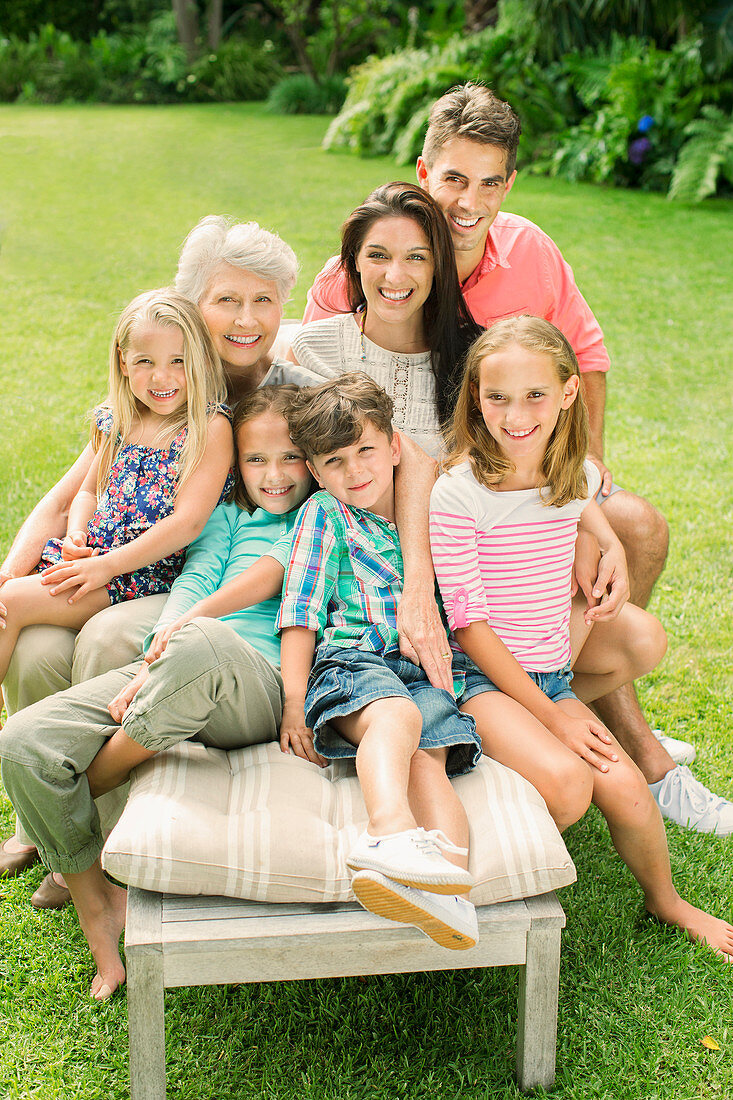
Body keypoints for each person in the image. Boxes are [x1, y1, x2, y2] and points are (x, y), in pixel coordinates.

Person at [300, 82, 731, 834]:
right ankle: (624, 748)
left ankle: (569, 711)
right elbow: (335, 428)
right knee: (600, 618)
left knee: (637, 531)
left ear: (508, 182)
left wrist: (582, 492)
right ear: (423, 171)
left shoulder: (527, 250)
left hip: (522, 484)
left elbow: (585, 355)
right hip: (437, 521)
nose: (469, 200)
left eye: (489, 180)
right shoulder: (368, 273)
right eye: (454, 178)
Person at [0, 216, 314, 889]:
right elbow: (68, 495)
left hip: (192, 585)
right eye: (226, 299)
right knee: (32, 648)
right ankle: (43, 817)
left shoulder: (293, 396)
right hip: (126, 565)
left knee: (110, 638)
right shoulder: (153, 384)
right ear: (192, 306)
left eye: (263, 300)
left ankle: (110, 836)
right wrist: (14, 576)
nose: (245, 317)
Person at [429, 316, 733, 960]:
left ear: (569, 392)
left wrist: (611, 541)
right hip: (479, 680)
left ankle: (667, 900)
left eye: (535, 395)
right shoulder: (459, 493)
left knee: (623, 788)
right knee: (569, 773)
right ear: (475, 398)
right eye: (497, 397)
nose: (515, 416)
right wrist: (553, 718)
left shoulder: (567, 470)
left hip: (549, 673)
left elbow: (581, 497)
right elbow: (468, 627)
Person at [0, 385, 315, 999]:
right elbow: (195, 576)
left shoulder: (320, 517)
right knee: (24, 742)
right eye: (256, 460)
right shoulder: (225, 519)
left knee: (198, 643)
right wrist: (156, 652)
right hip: (181, 667)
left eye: (290, 458)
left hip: (257, 680)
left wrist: (180, 634)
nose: (273, 474)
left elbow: (271, 575)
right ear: (234, 468)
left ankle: (89, 783)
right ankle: (98, 905)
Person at [277, 373, 482, 950]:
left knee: (430, 764)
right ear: (316, 472)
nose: (355, 471)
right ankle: (386, 831)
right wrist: (295, 703)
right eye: (335, 461)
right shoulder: (325, 514)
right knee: (396, 719)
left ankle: (450, 897)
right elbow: (302, 609)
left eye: (366, 450)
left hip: (420, 670)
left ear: (395, 447)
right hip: (354, 664)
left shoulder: (429, 512)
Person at [0, 288, 234, 691]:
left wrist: (107, 565)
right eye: (145, 362)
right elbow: (87, 493)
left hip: (138, 574)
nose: (162, 377)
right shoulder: (120, 420)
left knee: (11, 603)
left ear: (200, 361)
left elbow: (187, 522)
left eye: (178, 362)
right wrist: (77, 534)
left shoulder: (209, 428)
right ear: (124, 362)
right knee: (12, 596)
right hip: (93, 560)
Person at [289, 181, 482, 459]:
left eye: (415, 257)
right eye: (378, 255)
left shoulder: (472, 358)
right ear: (355, 260)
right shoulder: (311, 350)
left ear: (436, 265)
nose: (395, 276)